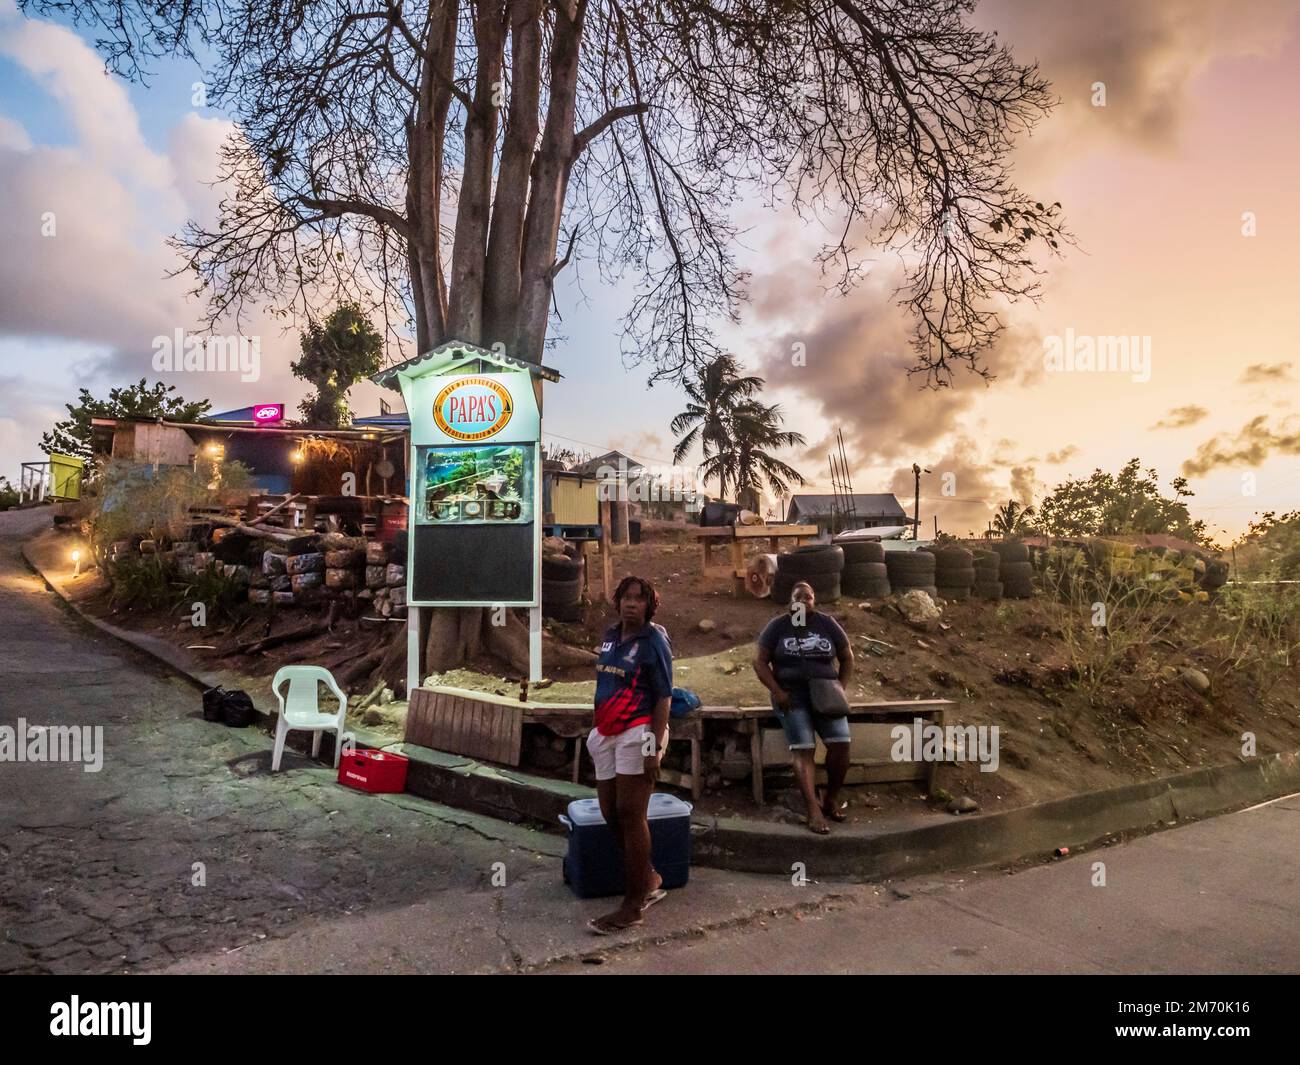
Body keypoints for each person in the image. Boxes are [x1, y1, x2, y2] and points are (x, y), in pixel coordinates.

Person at [585, 575, 674, 933]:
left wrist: (652, 747)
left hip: (639, 731)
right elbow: (605, 683)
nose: (631, 604)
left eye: (639, 599)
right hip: (606, 732)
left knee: (630, 812)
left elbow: (664, 697)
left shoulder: (654, 641)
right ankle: (649, 878)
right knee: (610, 812)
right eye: (626, 597)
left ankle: (633, 905)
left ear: (649, 606)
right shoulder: (609, 636)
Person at [752, 580, 855, 834]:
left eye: (807, 597)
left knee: (841, 745)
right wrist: (777, 692)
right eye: (797, 597)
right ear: (790, 601)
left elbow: (847, 656)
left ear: (814, 601)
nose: (802, 601)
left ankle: (830, 798)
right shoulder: (778, 626)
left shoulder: (826, 623)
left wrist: (840, 688)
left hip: (826, 695)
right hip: (791, 696)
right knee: (804, 748)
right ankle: (812, 808)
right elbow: (759, 662)